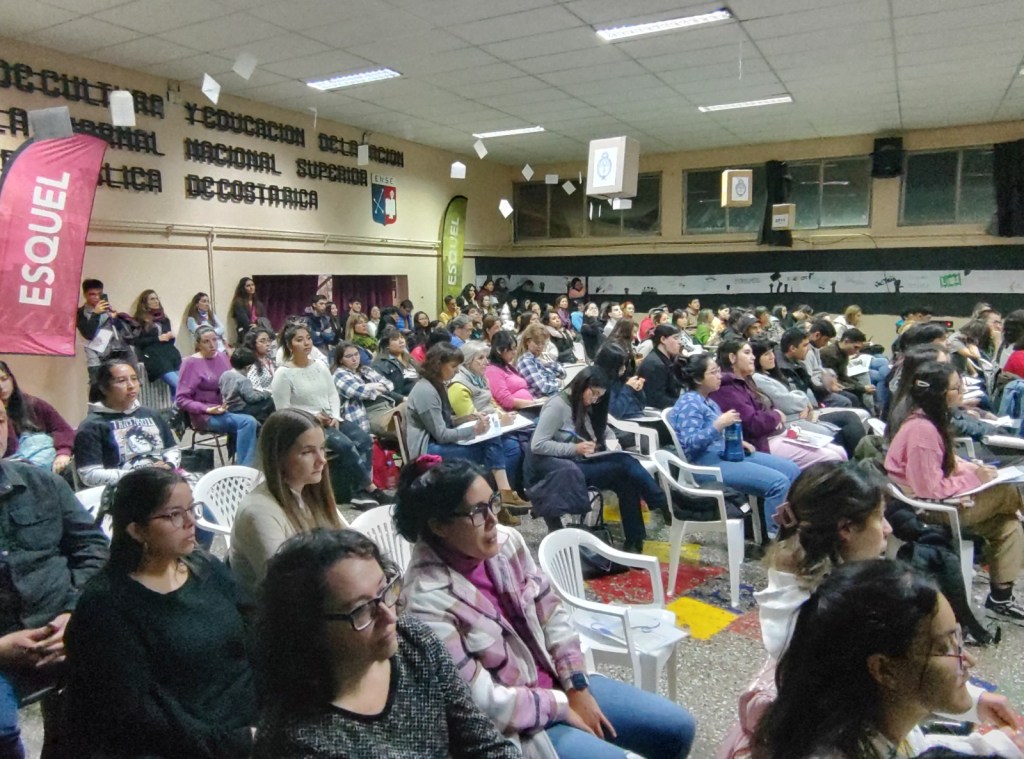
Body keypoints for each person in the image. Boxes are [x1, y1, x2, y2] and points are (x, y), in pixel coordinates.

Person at [397, 457, 696, 759]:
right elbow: (482, 703)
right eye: (477, 512)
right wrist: (559, 705)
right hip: (518, 727)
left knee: (677, 727)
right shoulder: (425, 602)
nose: (493, 520)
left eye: (493, 503)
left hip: (561, 683)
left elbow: (552, 613)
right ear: (439, 526)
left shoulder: (506, 544)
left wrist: (576, 684)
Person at [252, 529, 520, 759]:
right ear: (309, 628)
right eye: (362, 609)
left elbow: (485, 744)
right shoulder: (298, 741)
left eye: (385, 590)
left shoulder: (413, 642)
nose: (389, 617)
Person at [63, 468, 257, 758]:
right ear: (136, 530)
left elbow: (254, 632)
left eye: (191, 509)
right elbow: (143, 714)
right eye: (173, 515)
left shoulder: (204, 566)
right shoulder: (106, 605)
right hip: (192, 742)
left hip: (248, 717)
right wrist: (237, 742)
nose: (191, 522)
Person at [752, 560, 1023, 759]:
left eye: (959, 639)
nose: (969, 660)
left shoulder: (868, 722)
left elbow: (916, 747)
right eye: (944, 647)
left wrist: (999, 746)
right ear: (884, 669)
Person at [0, 403, 108, 759]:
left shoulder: (41, 483)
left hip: (64, 627)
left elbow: (93, 549)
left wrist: (74, 613)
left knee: (145, 690)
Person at [886, 360, 1024, 620]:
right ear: (939, 394)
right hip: (927, 511)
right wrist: (975, 479)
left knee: (1008, 525)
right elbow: (929, 488)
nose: (962, 393)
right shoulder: (922, 431)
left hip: (944, 502)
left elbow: (948, 464)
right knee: (1009, 492)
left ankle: (1001, 598)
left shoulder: (929, 421)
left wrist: (973, 470)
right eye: (956, 388)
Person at [528, 368, 668, 552]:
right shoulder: (557, 406)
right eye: (593, 393)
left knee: (626, 480)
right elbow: (537, 445)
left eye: (599, 397)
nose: (594, 400)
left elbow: (604, 429)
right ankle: (660, 501)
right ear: (582, 384)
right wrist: (574, 448)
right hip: (567, 468)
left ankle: (635, 539)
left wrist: (611, 443)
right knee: (624, 464)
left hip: (585, 460)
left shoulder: (586, 404)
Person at [667, 354, 798, 529]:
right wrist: (718, 425)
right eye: (713, 373)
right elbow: (690, 445)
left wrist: (737, 441)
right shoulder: (689, 403)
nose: (719, 376)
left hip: (724, 455)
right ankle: (776, 535)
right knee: (778, 484)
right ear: (698, 379)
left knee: (792, 470)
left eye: (718, 371)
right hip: (706, 464)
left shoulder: (708, 400)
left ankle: (791, 526)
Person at [271, 322, 390, 508]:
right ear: (289, 345)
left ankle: (359, 492)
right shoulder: (283, 374)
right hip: (304, 425)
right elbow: (283, 411)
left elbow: (332, 393)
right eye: (299, 340)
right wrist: (313, 415)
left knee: (364, 439)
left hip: (329, 418)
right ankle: (371, 489)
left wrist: (335, 415)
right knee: (346, 445)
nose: (306, 343)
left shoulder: (319, 365)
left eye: (308, 338)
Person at [230, 409, 348, 595]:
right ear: (279, 456)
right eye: (307, 452)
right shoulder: (259, 512)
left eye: (322, 448)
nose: (322, 460)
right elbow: (286, 587)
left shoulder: (310, 494)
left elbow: (350, 544)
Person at [405, 343, 526, 523]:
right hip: (427, 449)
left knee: (494, 440)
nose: (456, 371)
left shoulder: (437, 385)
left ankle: (501, 498)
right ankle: (501, 499)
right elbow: (441, 434)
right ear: (438, 365)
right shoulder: (426, 391)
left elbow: (445, 421)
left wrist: (467, 418)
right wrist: (474, 430)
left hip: (437, 441)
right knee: (489, 448)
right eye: (453, 366)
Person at [712, 339, 845, 469]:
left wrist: (775, 413)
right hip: (763, 442)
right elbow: (753, 424)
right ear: (732, 358)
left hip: (777, 432)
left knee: (840, 452)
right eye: (747, 353)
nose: (753, 357)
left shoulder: (746, 380)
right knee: (832, 457)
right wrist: (776, 415)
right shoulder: (727, 389)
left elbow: (769, 404)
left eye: (752, 353)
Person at [750, 339, 864, 458]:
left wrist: (803, 400)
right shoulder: (758, 378)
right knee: (842, 425)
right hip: (792, 420)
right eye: (766, 354)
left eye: (772, 352)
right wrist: (804, 400)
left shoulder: (773, 373)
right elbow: (787, 403)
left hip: (805, 411)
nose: (772, 356)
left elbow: (799, 392)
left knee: (852, 414)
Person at [75, 360, 180, 487]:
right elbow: (89, 474)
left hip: (162, 482)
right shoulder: (92, 425)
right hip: (123, 489)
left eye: (134, 379)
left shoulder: (151, 414)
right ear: (103, 388)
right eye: (121, 381)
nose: (131, 385)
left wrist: (169, 465)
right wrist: (138, 476)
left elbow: (172, 449)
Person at [176, 326, 258, 467]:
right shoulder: (190, 363)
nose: (212, 345)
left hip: (227, 407)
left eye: (214, 340)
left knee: (262, 412)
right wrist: (207, 409)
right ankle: (245, 467)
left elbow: (233, 380)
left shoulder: (222, 356)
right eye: (206, 341)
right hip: (205, 414)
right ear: (198, 344)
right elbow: (181, 399)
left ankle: (257, 461)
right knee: (248, 422)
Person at [0, 361, 74, 473]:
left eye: (4, 379)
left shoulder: (33, 404)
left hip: (45, 464)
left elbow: (62, 429)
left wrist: (63, 452)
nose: (1, 386)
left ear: (11, 379)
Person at [77, 278, 137, 382]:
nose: (97, 297)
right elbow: (88, 334)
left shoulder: (107, 308)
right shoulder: (81, 313)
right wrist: (95, 314)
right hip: (97, 358)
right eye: (92, 294)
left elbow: (122, 332)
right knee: (98, 386)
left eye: (99, 294)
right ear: (85, 295)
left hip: (119, 351)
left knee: (129, 383)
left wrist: (115, 319)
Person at [332, 340, 396, 436]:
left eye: (356, 354)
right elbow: (360, 392)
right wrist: (376, 387)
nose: (354, 359)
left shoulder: (365, 369)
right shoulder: (339, 374)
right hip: (368, 413)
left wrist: (369, 386)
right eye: (349, 356)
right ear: (340, 360)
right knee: (400, 428)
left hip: (387, 405)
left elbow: (389, 385)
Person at [132, 289, 182, 392]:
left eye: (157, 298)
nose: (156, 301)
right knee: (178, 385)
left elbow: (169, 342)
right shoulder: (139, 320)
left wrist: (170, 337)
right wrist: (158, 338)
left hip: (170, 354)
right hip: (155, 357)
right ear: (145, 303)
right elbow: (137, 342)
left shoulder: (164, 319)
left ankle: (177, 404)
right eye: (152, 299)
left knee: (179, 388)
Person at [820, 327, 874, 410]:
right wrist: (862, 388)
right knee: (853, 397)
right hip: (827, 387)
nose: (857, 352)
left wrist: (860, 387)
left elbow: (843, 376)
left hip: (837, 383)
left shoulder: (843, 353)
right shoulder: (830, 355)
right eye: (855, 347)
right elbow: (835, 380)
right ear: (846, 341)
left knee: (860, 389)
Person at [485, 331, 540, 412]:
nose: (514, 353)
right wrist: (534, 403)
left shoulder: (507, 367)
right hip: (517, 412)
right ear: (499, 350)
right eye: (512, 349)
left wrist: (537, 402)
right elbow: (505, 400)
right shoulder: (493, 371)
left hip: (528, 407)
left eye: (515, 349)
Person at [219, 347, 275, 425]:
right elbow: (251, 398)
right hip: (241, 409)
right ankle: (265, 425)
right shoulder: (243, 380)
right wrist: (265, 393)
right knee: (269, 401)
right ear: (248, 367)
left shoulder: (224, 374)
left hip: (228, 408)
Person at [593, 343, 647, 421]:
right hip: (623, 423)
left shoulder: (619, 379)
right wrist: (628, 388)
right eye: (621, 366)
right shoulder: (603, 384)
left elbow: (641, 405)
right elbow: (614, 414)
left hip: (637, 417)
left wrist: (638, 390)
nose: (624, 368)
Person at [637, 324, 685, 409]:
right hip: (657, 411)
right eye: (676, 338)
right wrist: (683, 403)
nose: (680, 342)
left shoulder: (667, 359)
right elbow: (657, 399)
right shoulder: (655, 364)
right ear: (663, 339)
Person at [517, 323, 564, 398]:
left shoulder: (536, 359)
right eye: (537, 343)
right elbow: (543, 388)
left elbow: (562, 373)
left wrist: (546, 363)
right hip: (541, 401)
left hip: (551, 397)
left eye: (543, 343)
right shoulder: (525, 361)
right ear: (528, 342)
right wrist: (558, 383)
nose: (540, 347)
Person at [372, 327, 419, 398]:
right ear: (386, 345)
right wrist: (401, 398)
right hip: (403, 400)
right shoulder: (379, 364)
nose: (401, 341)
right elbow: (382, 389)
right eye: (395, 339)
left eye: (402, 337)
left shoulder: (409, 357)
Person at [229, 276, 267, 346]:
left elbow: (265, 320)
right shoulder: (239, 303)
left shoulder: (258, 304)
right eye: (248, 286)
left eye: (252, 285)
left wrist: (258, 325)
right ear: (243, 288)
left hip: (259, 331)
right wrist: (257, 327)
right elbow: (245, 322)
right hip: (246, 333)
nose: (251, 287)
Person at [242, 326, 276, 395]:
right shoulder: (251, 364)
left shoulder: (268, 359)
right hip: (264, 399)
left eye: (269, 340)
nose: (268, 344)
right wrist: (272, 392)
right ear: (252, 344)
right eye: (262, 341)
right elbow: (255, 390)